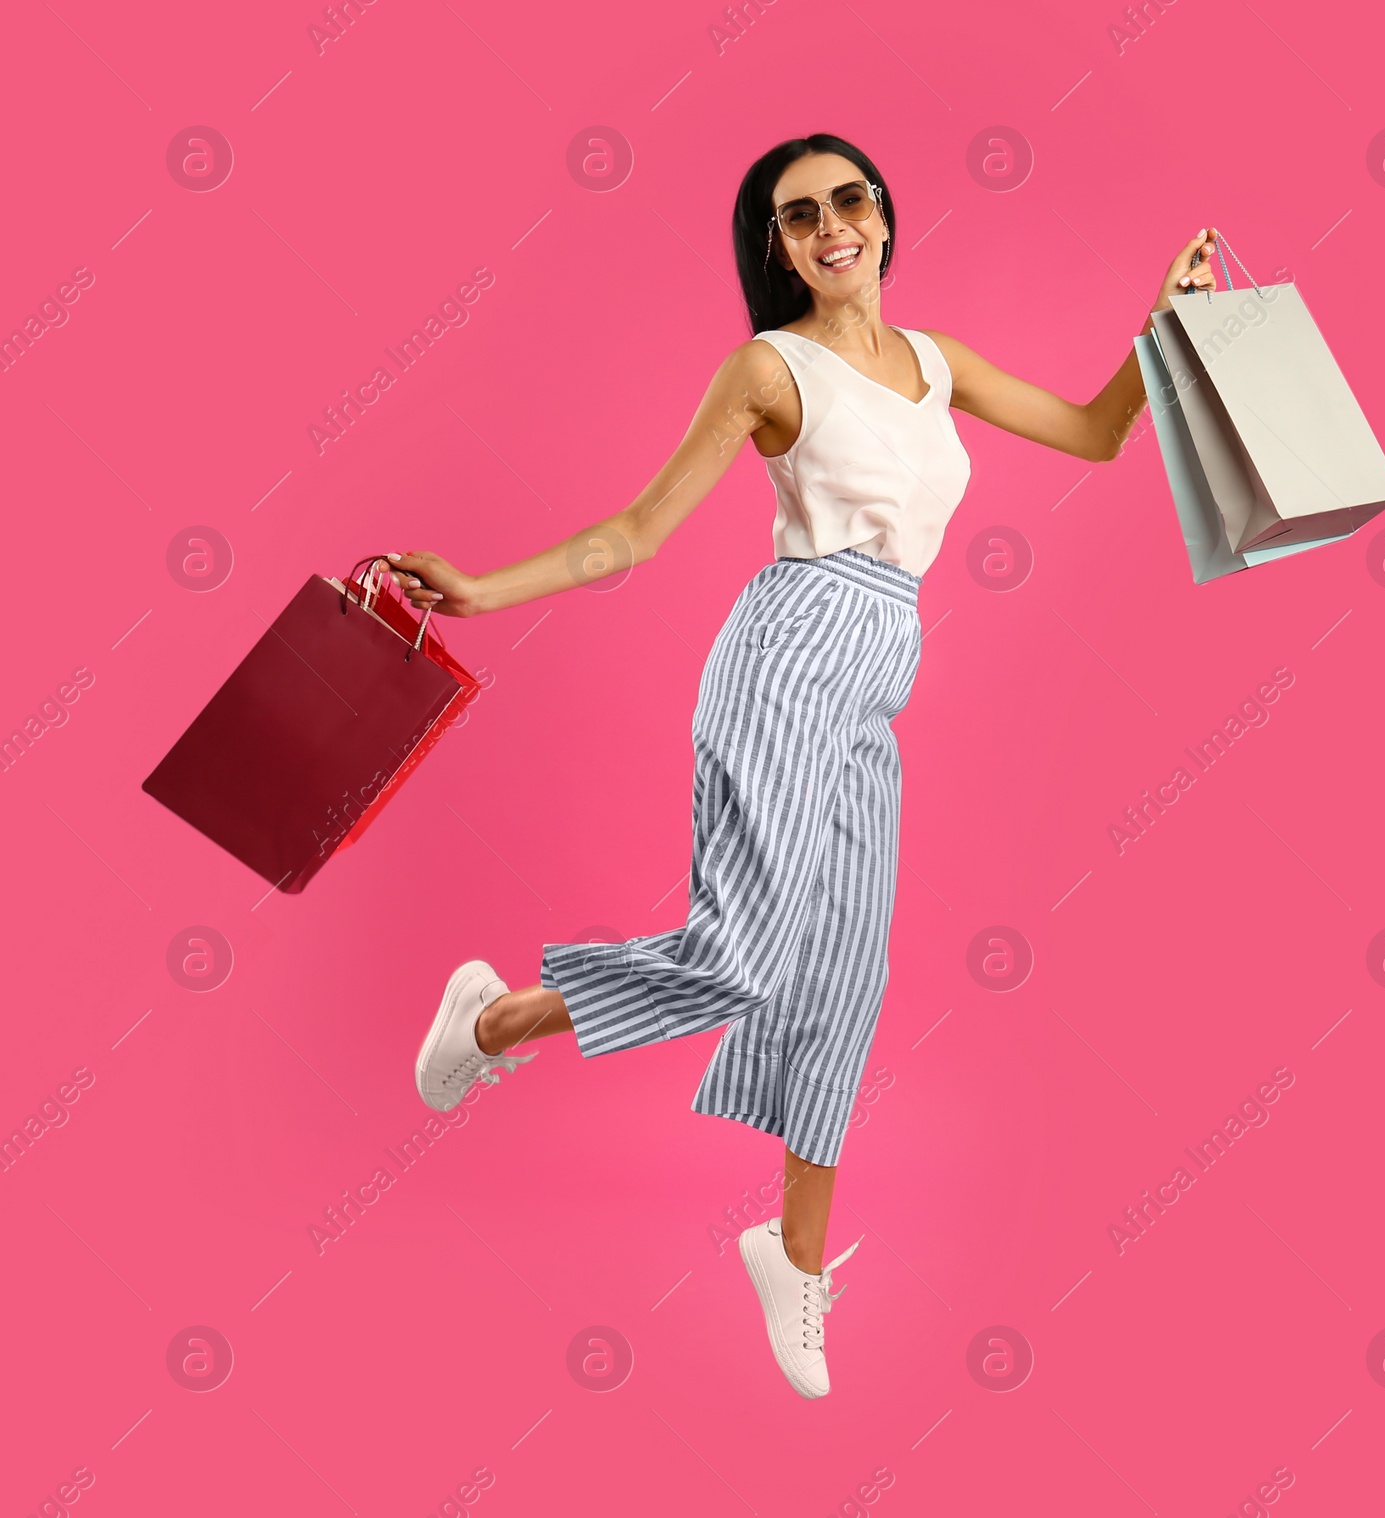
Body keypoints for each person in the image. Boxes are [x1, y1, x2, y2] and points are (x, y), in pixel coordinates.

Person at [392, 133, 1219, 1399]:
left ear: (883, 216)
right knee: (739, 954)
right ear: (777, 249)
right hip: (787, 658)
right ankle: (493, 1017)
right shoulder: (769, 368)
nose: (830, 225)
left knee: (844, 977)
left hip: (874, 681)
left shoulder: (938, 367)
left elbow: (1099, 433)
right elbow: (636, 530)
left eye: (847, 200)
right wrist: (485, 591)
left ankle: (793, 1257)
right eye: (797, 217)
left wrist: (1164, 325)